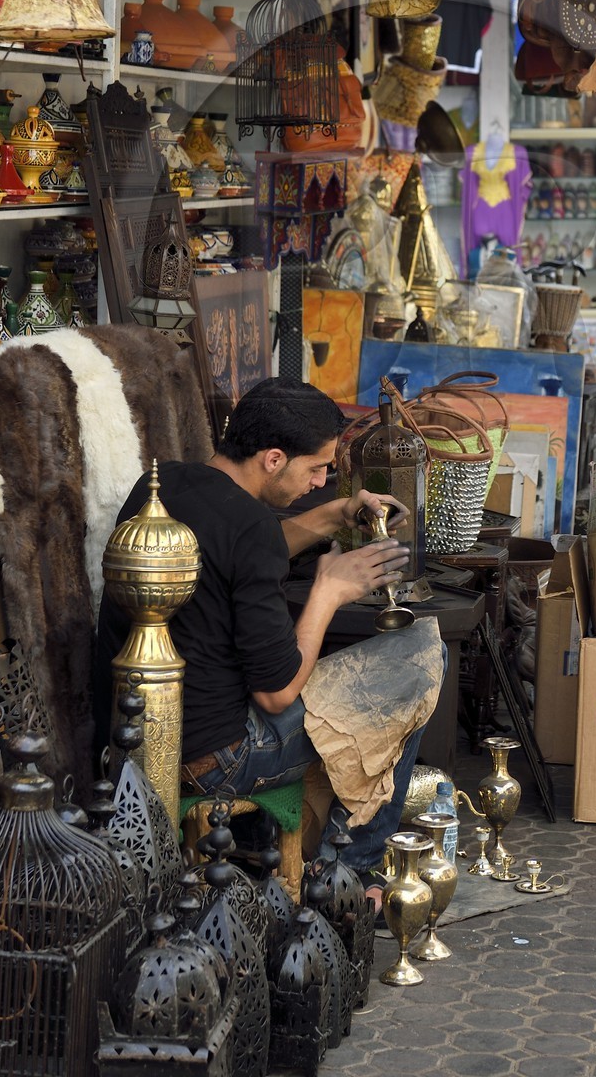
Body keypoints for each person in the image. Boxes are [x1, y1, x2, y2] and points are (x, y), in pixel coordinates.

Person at [96, 377, 431, 889]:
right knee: (418, 657)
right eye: (317, 468)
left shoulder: (165, 485)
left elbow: (244, 547)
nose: (321, 482)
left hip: (135, 739)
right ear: (274, 459)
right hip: (217, 761)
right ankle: (352, 871)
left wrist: (336, 515)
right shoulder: (250, 528)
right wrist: (328, 593)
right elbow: (276, 695)